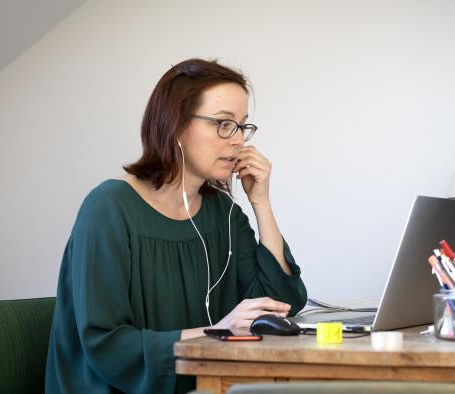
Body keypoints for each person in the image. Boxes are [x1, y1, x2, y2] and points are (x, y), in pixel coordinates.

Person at [45, 59, 308, 393]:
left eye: (242, 126)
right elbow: (107, 347)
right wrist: (218, 333)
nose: (238, 140)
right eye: (224, 124)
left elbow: (280, 304)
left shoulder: (221, 212)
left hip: (206, 385)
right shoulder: (108, 207)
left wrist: (261, 202)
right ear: (177, 126)